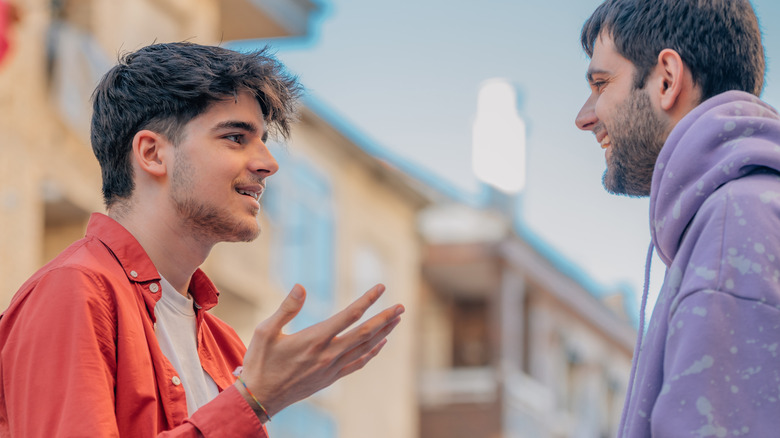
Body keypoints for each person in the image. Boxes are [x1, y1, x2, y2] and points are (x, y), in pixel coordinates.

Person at [0, 42, 404, 437]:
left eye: (263, 141)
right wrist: (252, 401)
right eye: (235, 137)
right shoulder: (74, 291)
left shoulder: (225, 347)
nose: (268, 164)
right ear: (152, 153)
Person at [574, 0, 780, 436]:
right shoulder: (743, 212)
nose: (584, 117)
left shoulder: (733, 222)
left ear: (667, 79)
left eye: (601, 83)